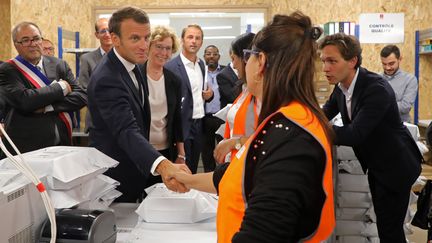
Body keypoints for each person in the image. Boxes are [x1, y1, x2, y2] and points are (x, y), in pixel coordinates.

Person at [174, 12, 335, 243]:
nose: (243, 63)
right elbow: (239, 176)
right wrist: (185, 179)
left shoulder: (290, 135)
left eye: (248, 56)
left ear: (260, 62)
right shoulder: (282, 121)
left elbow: (263, 233)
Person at [320, 33, 422, 242]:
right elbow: (322, 115)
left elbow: (355, 134)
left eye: (332, 61)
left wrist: (316, 132)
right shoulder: (341, 89)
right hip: (378, 165)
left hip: (397, 166)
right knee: (386, 226)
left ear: (352, 61)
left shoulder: (375, 89)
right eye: (323, 61)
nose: (325, 68)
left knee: (389, 228)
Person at [87, 6, 190, 202]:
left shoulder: (134, 66)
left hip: (137, 167)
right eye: (135, 38)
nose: (144, 45)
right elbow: (126, 130)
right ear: (115, 39)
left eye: (146, 37)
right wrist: (164, 165)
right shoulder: (107, 78)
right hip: (117, 177)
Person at [0, 21, 86, 154]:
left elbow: (81, 96)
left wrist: (48, 107)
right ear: (16, 45)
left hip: (62, 141)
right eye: (25, 40)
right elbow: (25, 101)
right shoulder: (8, 69)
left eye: (36, 38)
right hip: (27, 147)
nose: (33, 44)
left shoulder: (59, 64)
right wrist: (61, 87)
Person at [165, 24, 213, 174]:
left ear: (202, 42)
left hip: (199, 125)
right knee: (181, 169)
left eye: (198, 38)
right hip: (181, 126)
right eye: (190, 37)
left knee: (193, 168)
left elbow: (201, 93)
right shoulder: (170, 67)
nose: (194, 41)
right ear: (182, 40)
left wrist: (209, 96)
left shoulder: (201, 65)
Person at [140, 25, 185, 163]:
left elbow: (177, 119)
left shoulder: (174, 80)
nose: (163, 52)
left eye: (168, 48)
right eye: (159, 47)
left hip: (166, 151)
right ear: (149, 46)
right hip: (141, 149)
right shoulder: (136, 76)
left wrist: (181, 154)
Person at [213, 32, 258, 163]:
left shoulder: (260, 94)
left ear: (247, 58)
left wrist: (234, 143)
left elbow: (263, 140)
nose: (233, 65)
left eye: (234, 59)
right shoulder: (244, 90)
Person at [78, 17, 113, 133]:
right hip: (96, 121)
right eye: (103, 31)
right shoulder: (87, 59)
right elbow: (84, 89)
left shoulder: (124, 58)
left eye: (109, 30)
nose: (107, 34)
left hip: (120, 120)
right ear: (96, 35)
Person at [380, 44, 418, 123]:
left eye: (391, 63)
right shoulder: (376, 78)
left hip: (401, 127)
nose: (387, 67)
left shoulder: (410, 80)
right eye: (384, 64)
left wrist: (379, 105)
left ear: (399, 59)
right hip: (379, 126)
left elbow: (405, 107)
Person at [201, 45, 225, 172]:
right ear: (204, 56)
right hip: (205, 118)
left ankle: (223, 175)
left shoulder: (226, 72)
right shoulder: (199, 72)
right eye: (208, 54)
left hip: (222, 117)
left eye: (214, 54)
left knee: (223, 150)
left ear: (219, 57)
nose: (211, 56)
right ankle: (209, 177)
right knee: (207, 151)